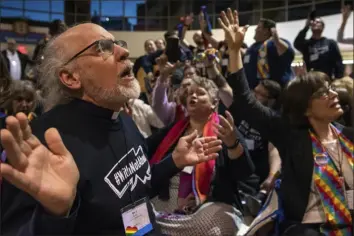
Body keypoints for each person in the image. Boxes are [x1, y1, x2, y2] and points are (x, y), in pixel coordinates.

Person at [0, 23, 223, 236]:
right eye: (102, 48)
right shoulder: (42, 143)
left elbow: (137, 190)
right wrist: (56, 214)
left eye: (118, 43)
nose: (124, 52)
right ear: (71, 77)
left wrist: (174, 161)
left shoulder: (121, 117)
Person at [218, 9, 353, 235]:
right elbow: (246, 102)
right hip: (308, 228)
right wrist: (233, 51)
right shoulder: (291, 135)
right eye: (323, 93)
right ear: (305, 107)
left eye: (331, 89)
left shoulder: (348, 136)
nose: (333, 95)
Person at [150, 76, 254, 235]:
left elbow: (244, 173)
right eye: (190, 93)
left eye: (200, 93)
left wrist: (233, 144)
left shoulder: (225, 130)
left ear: (214, 103)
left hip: (209, 203)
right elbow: (144, 148)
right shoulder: (174, 130)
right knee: (137, 215)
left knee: (213, 224)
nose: (193, 96)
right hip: (168, 199)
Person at [243, 18, 294, 89]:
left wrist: (277, 40)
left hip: (273, 92)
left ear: (266, 31)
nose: (255, 30)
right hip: (253, 91)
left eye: (259, 27)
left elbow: (289, 54)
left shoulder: (275, 43)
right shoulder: (252, 47)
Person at [294, 15, 344, 79]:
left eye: (318, 22)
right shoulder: (306, 44)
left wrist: (338, 79)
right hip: (310, 80)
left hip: (326, 79)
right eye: (313, 22)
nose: (315, 23)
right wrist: (306, 27)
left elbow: (338, 62)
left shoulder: (330, 43)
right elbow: (296, 43)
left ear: (323, 27)